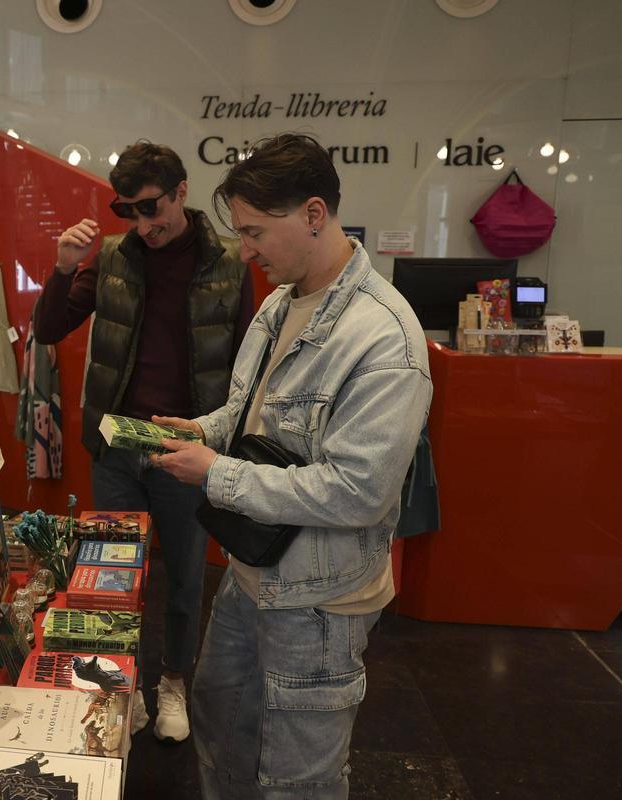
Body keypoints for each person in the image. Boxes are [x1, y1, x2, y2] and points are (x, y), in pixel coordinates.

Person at [150, 134, 432, 798]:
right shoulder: (282, 301)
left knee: (298, 777)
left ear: (312, 214)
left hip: (318, 603)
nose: (244, 250)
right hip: (251, 573)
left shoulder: (385, 339)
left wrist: (213, 473)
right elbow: (254, 416)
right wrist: (203, 429)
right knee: (222, 725)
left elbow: (357, 491)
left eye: (255, 232)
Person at [34, 141, 253, 743]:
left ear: (181, 192)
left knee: (184, 575)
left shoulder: (230, 263)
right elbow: (49, 329)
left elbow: (244, 369)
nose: (142, 224)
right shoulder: (110, 258)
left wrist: (225, 446)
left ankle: (173, 683)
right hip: (118, 442)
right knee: (110, 577)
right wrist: (60, 267)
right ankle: (113, 691)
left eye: (151, 207)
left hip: (186, 444)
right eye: (127, 210)